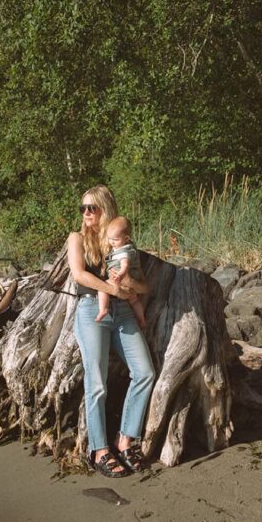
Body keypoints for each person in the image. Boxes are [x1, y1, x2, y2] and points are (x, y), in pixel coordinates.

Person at [67, 185, 156, 478]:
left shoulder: (120, 245)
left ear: (106, 208)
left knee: (144, 372)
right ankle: (100, 450)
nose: (86, 213)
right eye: (83, 208)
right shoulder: (77, 239)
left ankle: (126, 440)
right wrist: (113, 288)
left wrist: (128, 284)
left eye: (92, 207)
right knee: (97, 384)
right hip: (91, 311)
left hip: (123, 312)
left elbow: (144, 287)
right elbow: (79, 274)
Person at [95, 216, 146, 328]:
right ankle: (141, 319)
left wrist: (120, 275)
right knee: (134, 300)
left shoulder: (124, 252)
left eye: (115, 240)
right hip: (133, 277)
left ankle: (103, 309)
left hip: (121, 276)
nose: (112, 242)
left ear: (126, 238)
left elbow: (125, 265)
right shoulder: (127, 247)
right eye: (110, 239)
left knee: (102, 288)